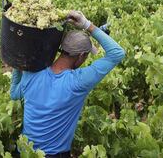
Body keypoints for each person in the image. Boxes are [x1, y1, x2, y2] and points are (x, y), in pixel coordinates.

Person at [10, 10, 125, 157]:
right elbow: (117, 53)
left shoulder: (33, 72)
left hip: (24, 152)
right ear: (81, 56)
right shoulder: (77, 82)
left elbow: (14, 94)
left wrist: (17, 66)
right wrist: (86, 24)